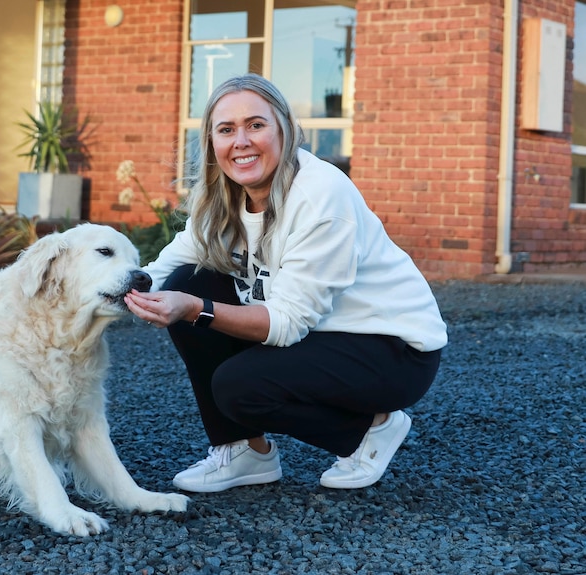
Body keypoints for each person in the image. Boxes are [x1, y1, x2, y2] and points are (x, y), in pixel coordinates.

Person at [124, 74, 447, 493]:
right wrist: (115, 291)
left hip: (391, 349)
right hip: (321, 334)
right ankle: (244, 451)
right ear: (212, 143)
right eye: (226, 130)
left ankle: (366, 432)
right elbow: (166, 269)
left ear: (285, 130)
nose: (240, 141)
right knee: (190, 278)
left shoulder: (321, 196)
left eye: (255, 125)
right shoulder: (225, 198)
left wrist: (193, 309)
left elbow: (287, 323)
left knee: (238, 384)